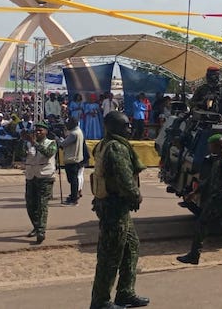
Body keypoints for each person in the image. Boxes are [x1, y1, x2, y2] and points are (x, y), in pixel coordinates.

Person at [89, 111, 149, 309]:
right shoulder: (116, 147)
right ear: (112, 127)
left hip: (115, 206)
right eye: (125, 126)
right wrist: (136, 196)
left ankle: (125, 292)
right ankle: (101, 301)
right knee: (110, 255)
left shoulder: (105, 144)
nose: (129, 129)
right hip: (114, 207)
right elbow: (124, 178)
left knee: (131, 247)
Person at [177, 134, 222, 265]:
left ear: (217, 145)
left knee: (201, 224)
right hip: (221, 198)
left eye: (211, 145)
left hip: (221, 198)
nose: (209, 148)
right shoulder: (218, 159)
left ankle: (194, 255)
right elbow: (210, 180)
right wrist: (195, 192)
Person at [23, 122, 57, 244]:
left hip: (45, 177)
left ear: (46, 132)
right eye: (36, 131)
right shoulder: (29, 144)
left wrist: (34, 143)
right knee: (31, 205)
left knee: (42, 205)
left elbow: (48, 153)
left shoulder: (51, 143)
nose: (37, 132)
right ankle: (37, 227)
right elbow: (22, 156)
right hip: (31, 176)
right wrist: (23, 143)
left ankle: (41, 231)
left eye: (40, 130)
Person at [57, 117, 84, 206]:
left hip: (72, 159)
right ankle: (73, 195)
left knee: (72, 180)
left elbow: (64, 144)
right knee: (73, 179)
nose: (67, 126)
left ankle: (73, 199)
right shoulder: (79, 131)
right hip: (76, 159)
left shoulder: (74, 134)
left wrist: (57, 139)